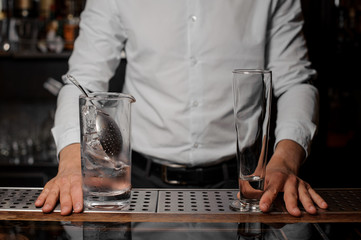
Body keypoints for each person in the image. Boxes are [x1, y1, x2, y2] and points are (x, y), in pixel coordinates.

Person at [35, 0, 328, 216]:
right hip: (137, 185)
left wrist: (285, 161)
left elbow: (296, 81)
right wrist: (73, 161)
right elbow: (82, 80)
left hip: (244, 186)